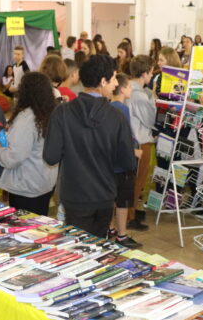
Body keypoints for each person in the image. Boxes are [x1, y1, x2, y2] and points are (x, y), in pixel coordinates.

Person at [43, 54, 135, 238]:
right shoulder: (116, 117)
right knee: (98, 251)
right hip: (105, 195)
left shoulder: (62, 112)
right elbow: (128, 162)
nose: (116, 84)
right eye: (114, 78)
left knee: (76, 252)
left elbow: (50, 156)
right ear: (102, 81)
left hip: (74, 196)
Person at [0, 72, 58, 216]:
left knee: (24, 230)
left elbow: (13, 157)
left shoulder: (27, 118)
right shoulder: (51, 113)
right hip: (45, 182)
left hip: (26, 186)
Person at [109, 73, 141, 248]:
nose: (131, 90)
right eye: (129, 87)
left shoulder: (109, 106)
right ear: (122, 89)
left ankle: (111, 229)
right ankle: (122, 235)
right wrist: (133, 152)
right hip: (122, 164)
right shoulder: (122, 109)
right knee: (122, 201)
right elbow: (123, 138)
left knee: (112, 199)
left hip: (111, 163)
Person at [127, 54, 156, 231]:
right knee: (137, 181)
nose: (152, 76)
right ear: (144, 73)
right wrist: (152, 99)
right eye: (151, 73)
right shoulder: (140, 95)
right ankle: (130, 217)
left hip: (132, 140)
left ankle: (132, 211)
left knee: (133, 181)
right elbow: (150, 120)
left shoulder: (129, 88)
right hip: (140, 141)